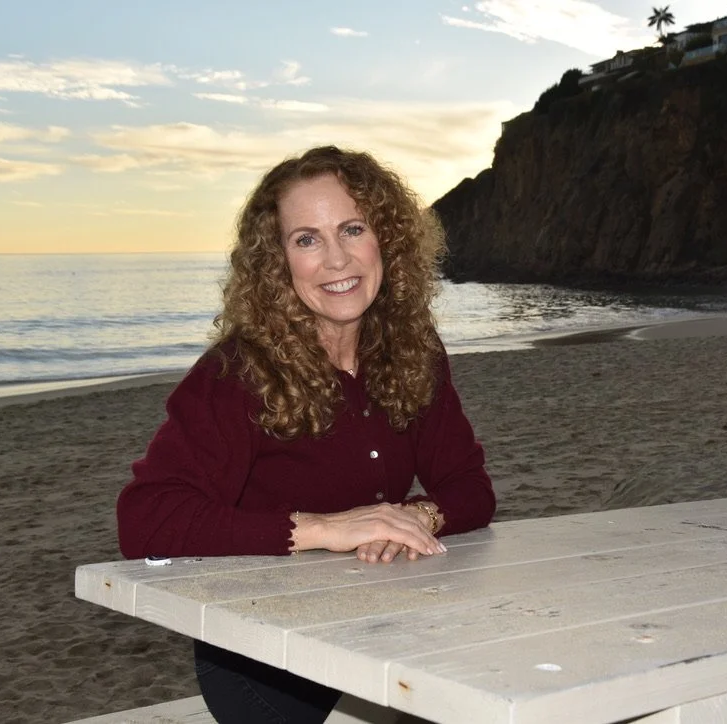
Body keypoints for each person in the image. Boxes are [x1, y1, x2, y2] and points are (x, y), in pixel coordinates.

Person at [116, 145, 496, 723]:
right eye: (307, 239)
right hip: (263, 656)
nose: (337, 259)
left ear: (385, 241)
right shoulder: (235, 374)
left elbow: (470, 487)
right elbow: (145, 517)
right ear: (278, 262)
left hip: (384, 617)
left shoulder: (415, 353)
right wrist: (326, 529)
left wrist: (417, 517)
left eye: (352, 228)